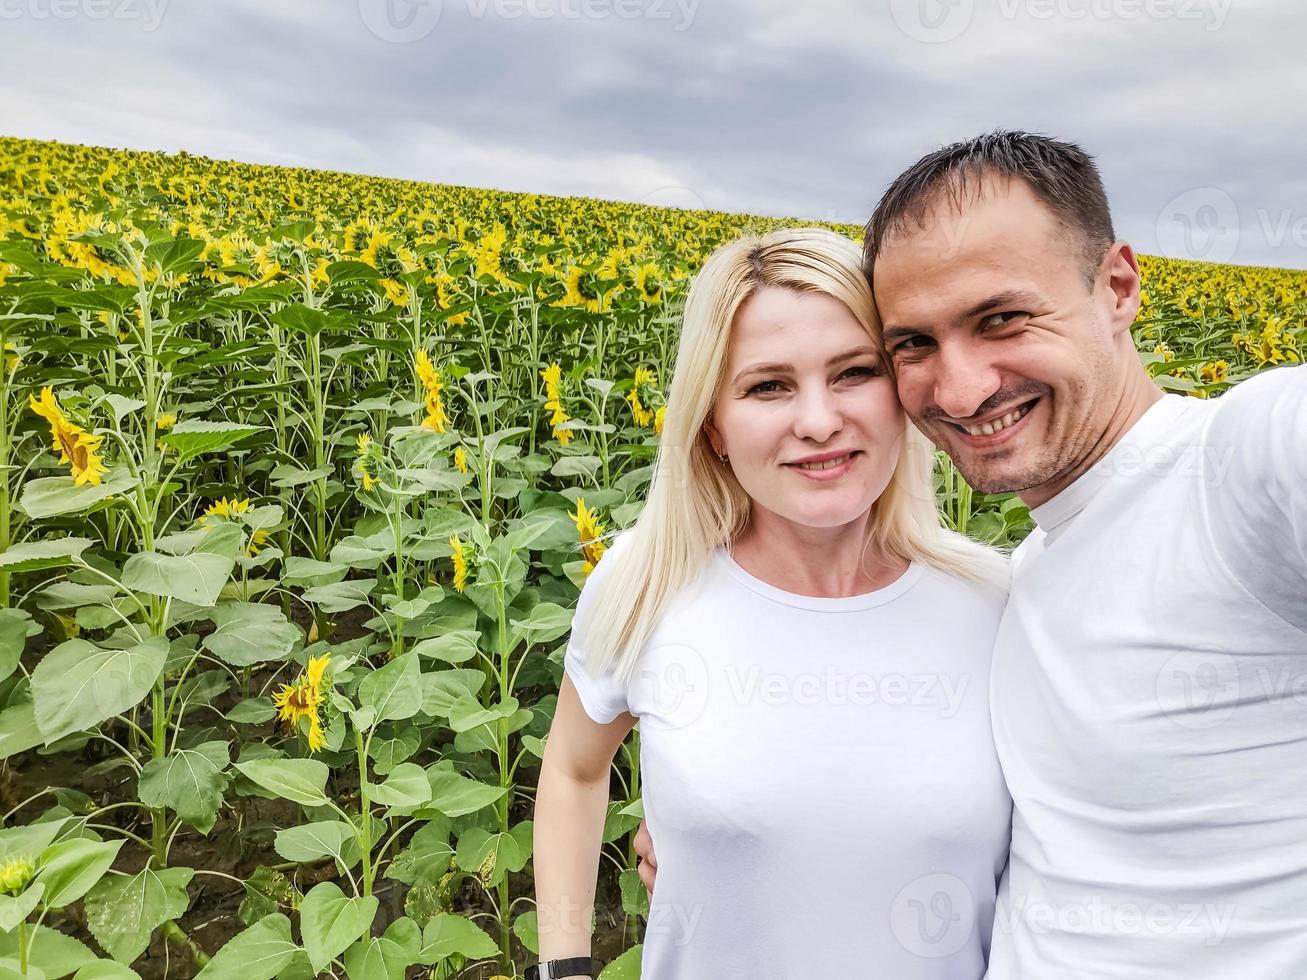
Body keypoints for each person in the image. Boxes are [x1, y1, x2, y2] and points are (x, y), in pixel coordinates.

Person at [636, 132, 1307, 978]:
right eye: (912, 344)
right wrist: (710, 824)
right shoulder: (1010, 587)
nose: (960, 390)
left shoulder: (1236, 465)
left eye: (1002, 319)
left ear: (1118, 290)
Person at [531, 227, 1013, 980]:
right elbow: (572, 770)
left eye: (853, 372)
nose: (818, 421)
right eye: (768, 386)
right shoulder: (646, 584)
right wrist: (564, 968)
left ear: (903, 396)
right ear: (712, 425)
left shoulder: (995, 604)